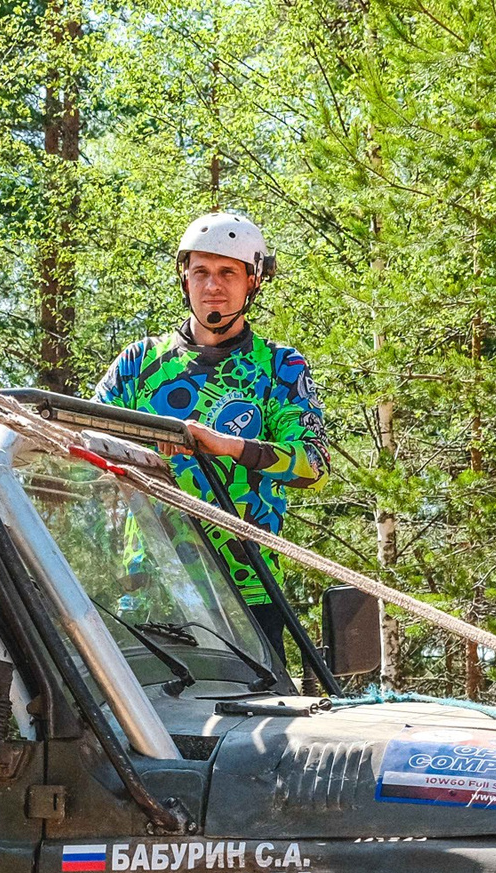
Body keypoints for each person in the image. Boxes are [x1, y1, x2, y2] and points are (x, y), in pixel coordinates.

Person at [95, 211, 329, 612]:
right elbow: (81, 447)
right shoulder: (137, 362)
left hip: (248, 594)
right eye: (201, 272)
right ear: (184, 278)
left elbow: (315, 465)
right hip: (151, 593)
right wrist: (142, 448)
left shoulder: (280, 367)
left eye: (227, 273)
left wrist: (229, 446)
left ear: (254, 280)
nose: (212, 286)